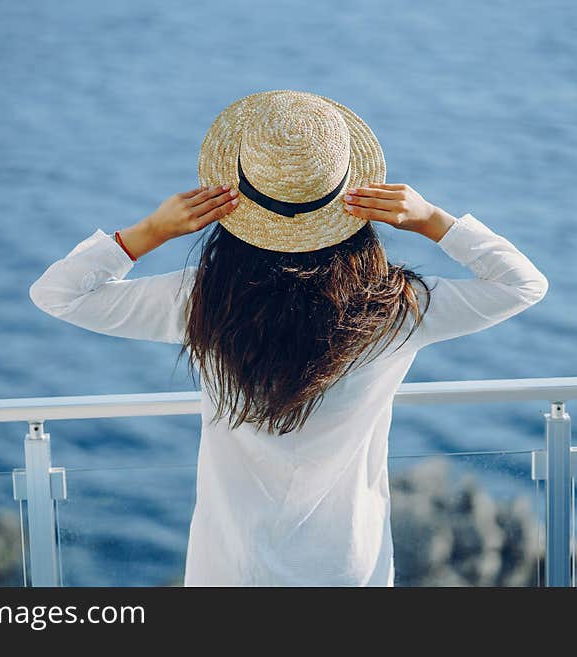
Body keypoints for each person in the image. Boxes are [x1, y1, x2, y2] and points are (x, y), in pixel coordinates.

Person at [29, 90, 549, 586]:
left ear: (236, 199)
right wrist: (435, 221)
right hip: (349, 570)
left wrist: (152, 231)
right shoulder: (395, 310)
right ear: (357, 199)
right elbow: (523, 284)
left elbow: (58, 294)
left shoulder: (202, 303)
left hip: (230, 573)